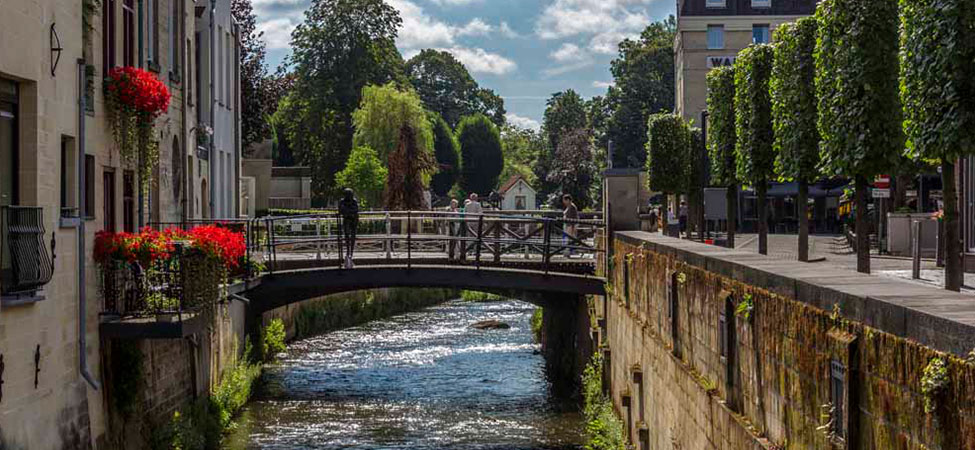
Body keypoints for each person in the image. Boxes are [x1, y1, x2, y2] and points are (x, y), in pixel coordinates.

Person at [338, 188, 359, 268]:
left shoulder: (354, 201)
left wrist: (347, 211)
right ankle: (348, 253)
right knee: (347, 237)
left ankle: (351, 253)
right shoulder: (342, 201)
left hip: (353, 221)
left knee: (353, 237)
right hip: (347, 221)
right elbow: (341, 210)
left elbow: (356, 210)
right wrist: (349, 211)